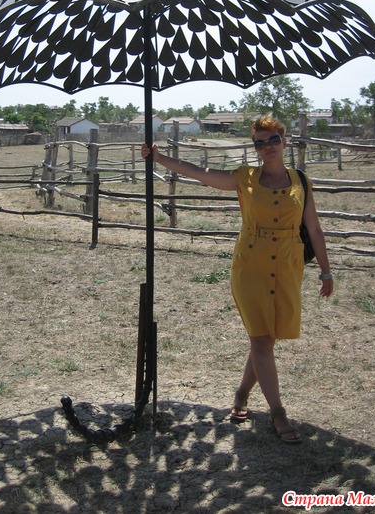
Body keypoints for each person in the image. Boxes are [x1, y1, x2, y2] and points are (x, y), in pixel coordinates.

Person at [141, 114, 333, 444]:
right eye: (260, 142)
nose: (268, 147)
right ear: (255, 147)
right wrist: (159, 158)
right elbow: (201, 173)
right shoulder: (245, 178)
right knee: (261, 339)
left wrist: (326, 270)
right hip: (251, 267)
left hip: (287, 267)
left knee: (267, 340)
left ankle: (241, 394)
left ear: (284, 141)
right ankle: (278, 413)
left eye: (273, 139)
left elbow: (314, 228)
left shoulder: (301, 181)